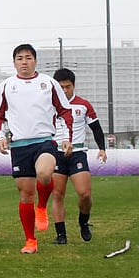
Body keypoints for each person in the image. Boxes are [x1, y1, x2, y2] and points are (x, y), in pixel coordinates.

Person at [0, 44, 73, 254]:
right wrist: (0, 137)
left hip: (44, 141)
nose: (24, 62)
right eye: (19, 58)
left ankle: (42, 206)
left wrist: (66, 138)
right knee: (26, 194)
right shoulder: (6, 85)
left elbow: (64, 110)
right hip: (19, 146)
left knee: (45, 174)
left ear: (35, 60)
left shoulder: (48, 83)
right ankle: (30, 240)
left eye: (28, 57)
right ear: (14, 62)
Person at [50, 68, 106, 245]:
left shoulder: (83, 105)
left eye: (68, 87)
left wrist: (102, 149)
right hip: (56, 154)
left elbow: (96, 128)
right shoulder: (48, 106)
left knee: (85, 194)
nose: (65, 91)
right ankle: (61, 235)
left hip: (77, 154)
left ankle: (83, 222)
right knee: (58, 194)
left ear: (74, 85)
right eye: (61, 87)